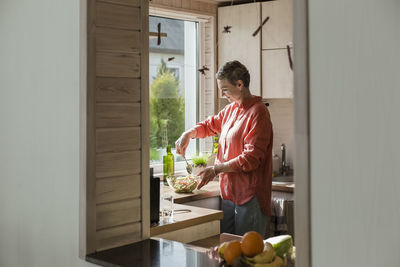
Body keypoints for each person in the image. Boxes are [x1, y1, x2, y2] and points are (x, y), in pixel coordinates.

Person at [175, 60, 273, 237]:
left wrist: (216, 169)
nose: (222, 94)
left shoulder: (258, 112)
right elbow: (209, 126)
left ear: (240, 84)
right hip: (228, 194)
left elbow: (250, 159)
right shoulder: (231, 110)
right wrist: (188, 134)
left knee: (247, 257)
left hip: (250, 197)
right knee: (227, 251)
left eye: (225, 89)